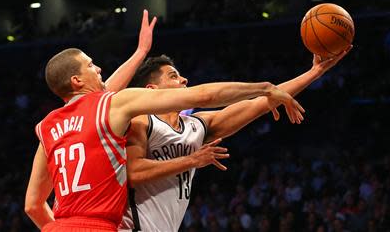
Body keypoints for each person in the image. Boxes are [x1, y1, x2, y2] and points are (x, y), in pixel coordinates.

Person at [24, 12, 305, 231]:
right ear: (76, 80)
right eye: (90, 65)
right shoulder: (114, 105)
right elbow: (205, 94)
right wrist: (265, 87)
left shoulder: (47, 128)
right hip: (102, 225)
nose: (97, 68)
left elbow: (33, 205)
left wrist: (140, 53)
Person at [120, 47, 351, 232]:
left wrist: (314, 72)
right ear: (152, 89)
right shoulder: (141, 122)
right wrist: (191, 160)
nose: (184, 80)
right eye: (173, 76)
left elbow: (259, 104)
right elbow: (133, 172)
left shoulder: (197, 125)